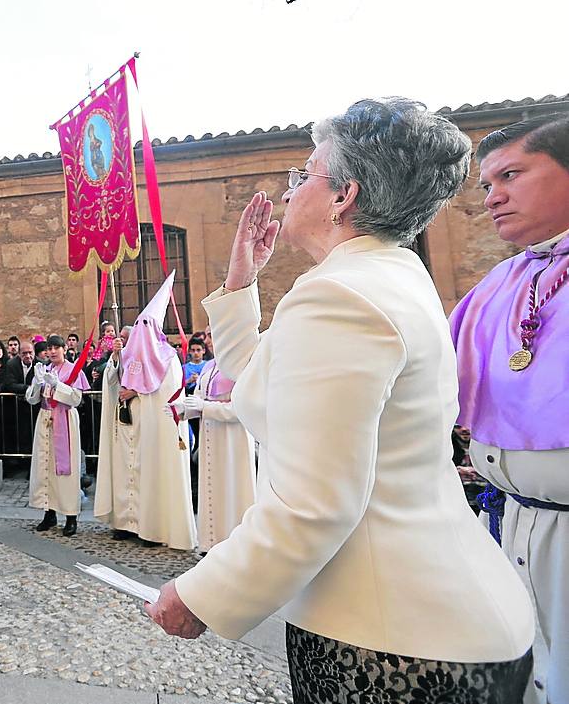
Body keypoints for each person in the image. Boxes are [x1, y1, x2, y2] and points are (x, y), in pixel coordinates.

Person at [144, 99, 533, 703]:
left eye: (306, 173)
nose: (292, 187)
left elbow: (314, 504)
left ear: (342, 195)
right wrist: (242, 281)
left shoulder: (341, 298)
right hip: (434, 617)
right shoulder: (387, 277)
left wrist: (205, 593)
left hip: (394, 634)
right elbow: (264, 390)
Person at [450, 112, 569, 703]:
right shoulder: (497, 283)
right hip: (509, 522)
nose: (492, 198)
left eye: (511, 176)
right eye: (486, 185)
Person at [95, 277, 197, 550]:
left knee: (150, 473)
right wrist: (116, 359)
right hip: (128, 426)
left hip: (152, 429)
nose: (140, 330)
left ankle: (151, 527)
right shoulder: (128, 354)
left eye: (145, 325)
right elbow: (113, 381)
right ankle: (126, 523)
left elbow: (169, 393)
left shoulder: (168, 358)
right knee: (127, 471)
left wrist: (138, 393)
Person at [182, 355, 256, 552]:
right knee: (212, 487)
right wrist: (185, 409)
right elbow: (199, 395)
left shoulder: (244, 364)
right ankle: (210, 542)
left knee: (232, 488)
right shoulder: (209, 366)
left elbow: (241, 408)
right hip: (210, 435)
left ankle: (232, 544)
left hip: (232, 439)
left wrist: (205, 407)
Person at [26, 335, 89, 536]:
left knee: (66, 469)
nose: (52, 352)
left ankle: (70, 516)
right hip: (45, 419)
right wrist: (36, 383)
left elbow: (77, 398)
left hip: (65, 419)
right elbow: (32, 399)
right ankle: (49, 511)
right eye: (49, 349)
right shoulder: (46, 371)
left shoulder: (73, 370)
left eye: (56, 348)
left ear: (64, 349)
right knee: (45, 466)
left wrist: (58, 386)